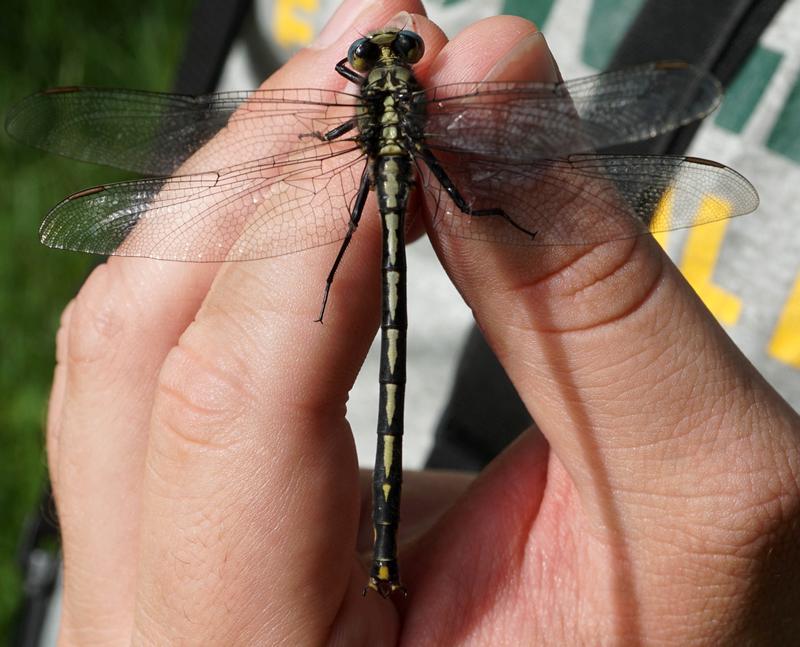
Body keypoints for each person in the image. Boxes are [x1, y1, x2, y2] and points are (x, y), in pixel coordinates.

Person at [45, 0, 800, 644]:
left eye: (392, 49)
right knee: (463, 209)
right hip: (301, 505)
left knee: (393, 230)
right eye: (383, 50)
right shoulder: (422, 101)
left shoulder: (356, 100)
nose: (386, 46)